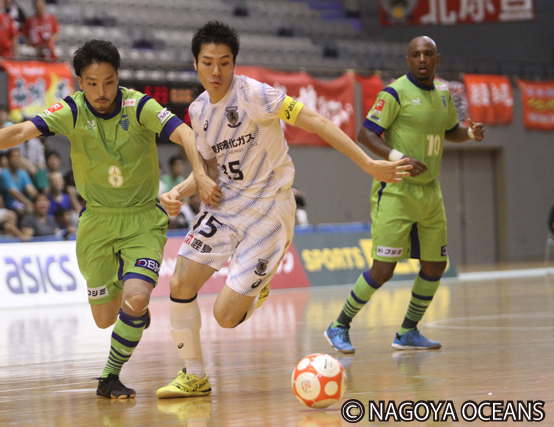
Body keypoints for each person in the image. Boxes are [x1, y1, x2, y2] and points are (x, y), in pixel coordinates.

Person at [0, 39, 220, 399]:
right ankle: (131, 306)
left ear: (118, 77)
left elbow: (184, 133)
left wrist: (200, 174)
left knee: (136, 300)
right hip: (96, 223)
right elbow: (21, 131)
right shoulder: (71, 111)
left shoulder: (139, 106)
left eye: (108, 82)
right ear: (79, 82)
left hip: (142, 220)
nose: (101, 92)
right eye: (92, 84)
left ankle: (110, 375)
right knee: (105, 319)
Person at [155, 21, 410, 399]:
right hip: (225, 207)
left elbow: (318, 122)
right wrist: (180, 189)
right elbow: (209, 170)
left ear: (234, 63)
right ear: (195, 64)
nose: (216, 71)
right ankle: (194, 376)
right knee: (179, 283)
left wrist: (369, 164)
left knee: (225, 318)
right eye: (208, 62)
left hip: (269, 211)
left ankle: (258, 287)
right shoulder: (198, 110)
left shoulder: (256, 95)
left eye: (224, 62)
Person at [324, 36, 485, 354]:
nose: (422, 59)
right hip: (396, 190)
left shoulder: (443, 93)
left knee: (435, 265)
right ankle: (338, 325)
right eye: (416, 54)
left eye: (428, 54)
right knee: (383, 269)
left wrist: (468, 133)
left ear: (437, 59)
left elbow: (448, 130)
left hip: (430, 192)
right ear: (408, 60)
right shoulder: (394, 92)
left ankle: (408, 332)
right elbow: (365, 133)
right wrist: (399, 158)